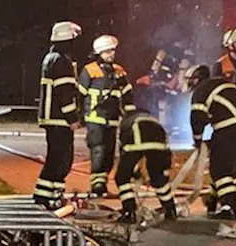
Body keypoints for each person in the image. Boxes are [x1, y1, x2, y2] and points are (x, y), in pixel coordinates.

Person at [186, 63, 236, 220]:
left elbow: (197, 119)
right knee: (231, 170)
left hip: (229, 132)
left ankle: (228, 206)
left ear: (195, 80)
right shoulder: (225, 85)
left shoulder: (201, 90)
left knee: (220, 169)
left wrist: (198, 141)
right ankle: (214, 198)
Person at [80, 33, 136, 197]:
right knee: (98, 149)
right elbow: (80, 94)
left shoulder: (119, 71)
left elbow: (127, 94)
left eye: (113, 51)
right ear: (100, 53)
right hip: (94, 118)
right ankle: (96, 185)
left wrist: (130, 114)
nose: (112, 54)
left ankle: (102, 184)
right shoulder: (90, 70)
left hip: (112, 119)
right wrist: (79, 116)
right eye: (108, 51)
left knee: (110, 153)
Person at [33, 21, 83, 208]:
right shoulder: (62, 61)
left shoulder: (50, 58)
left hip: (52, 119)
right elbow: (65, 93)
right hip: (59, 120)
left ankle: (51, 197)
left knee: (57, 159)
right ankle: (45, 199)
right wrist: (73, 119)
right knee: (60, 160)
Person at [115, 107, 178, 223]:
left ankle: (129, 212)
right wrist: (165, 168)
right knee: (159, 179)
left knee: (122, 177)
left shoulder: (127, 121)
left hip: (136, 140)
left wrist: (134, 172)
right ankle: (171, 210)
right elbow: (167, 147)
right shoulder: (154, 120)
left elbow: (124, 148)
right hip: (159, 144)